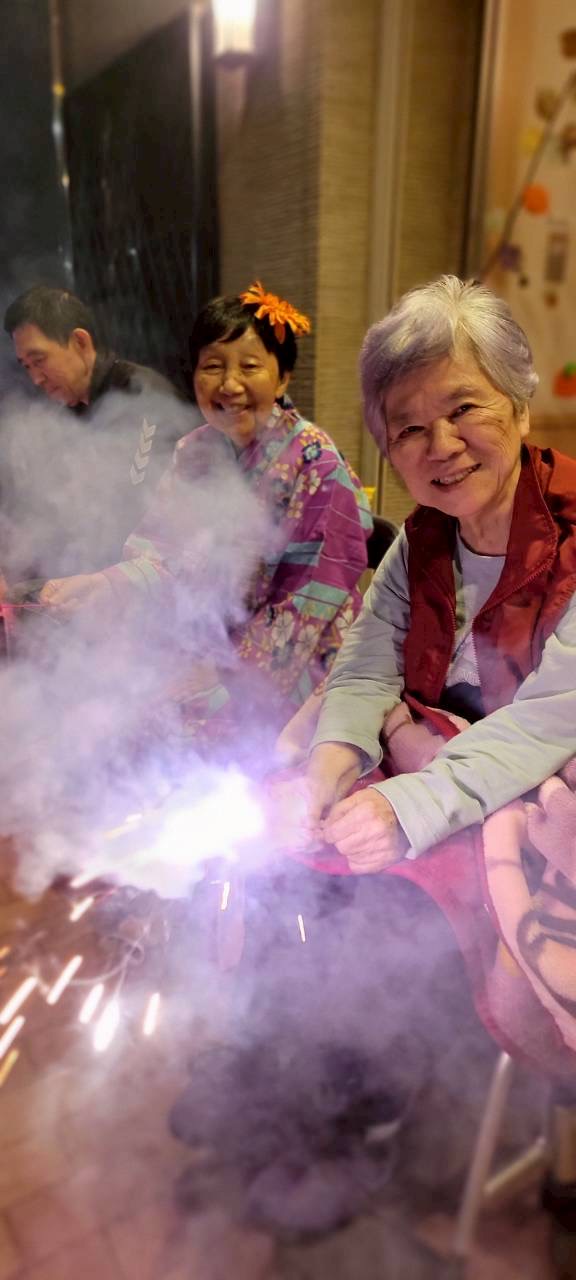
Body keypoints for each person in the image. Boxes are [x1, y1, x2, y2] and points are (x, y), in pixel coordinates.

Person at [37, 282, 373, 740]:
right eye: (213, 366)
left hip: (301, 664)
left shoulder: (316, 461)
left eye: (249, 366)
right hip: (214, 647)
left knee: (179, 736)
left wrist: (225, 672)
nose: (229, 385)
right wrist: (107, 583)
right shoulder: (194, 453)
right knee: (109, 706)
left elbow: (310, 601)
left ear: (282, 378)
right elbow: (163, 552)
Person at [1, 286, 194, 580]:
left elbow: (141, 512)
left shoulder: (142, 396)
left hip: (146, 579)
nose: (35, 378)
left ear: (80, 342)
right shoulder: (64, 409)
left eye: (39, 360)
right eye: (27, 366)